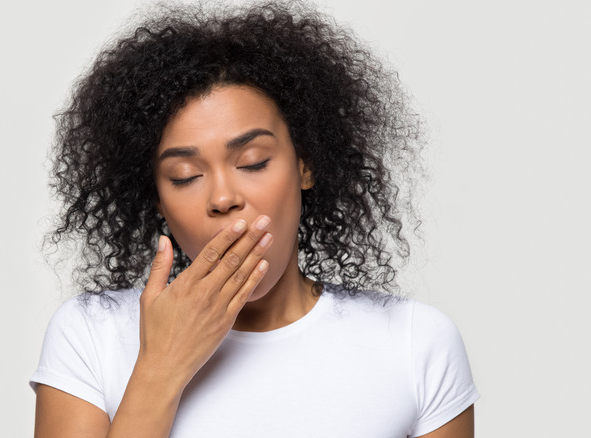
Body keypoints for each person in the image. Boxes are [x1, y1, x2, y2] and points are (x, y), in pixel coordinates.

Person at [30, 2, 479, 437]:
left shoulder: (415, 345)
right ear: (156, 201)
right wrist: (160, 367)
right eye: (185, 176)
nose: (223, 198)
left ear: (305, 164)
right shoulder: (91, 335)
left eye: (253, 161)